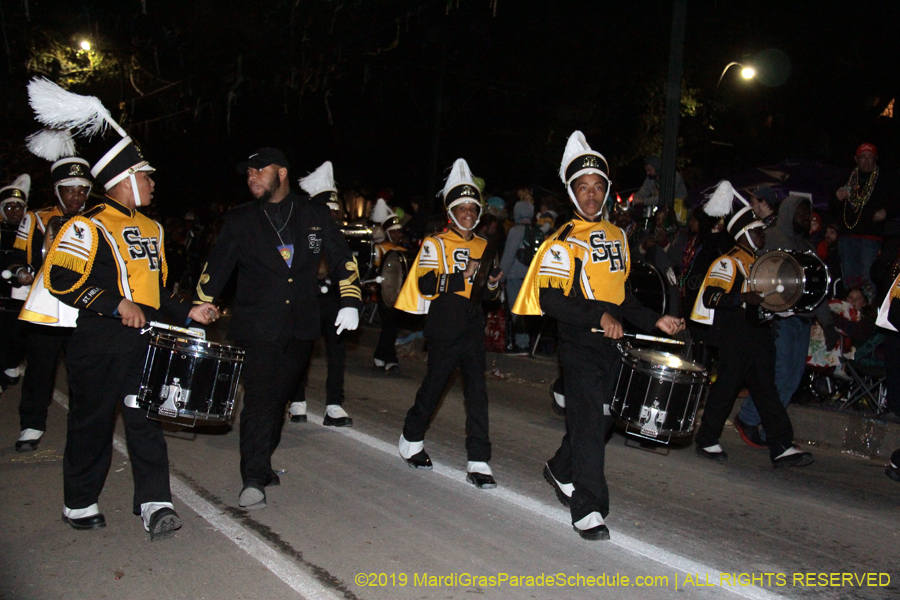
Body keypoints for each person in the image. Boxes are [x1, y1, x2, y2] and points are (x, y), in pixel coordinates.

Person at [30, 77, 219, 538]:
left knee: (146, 420)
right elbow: (61, 279)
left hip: (146, 342)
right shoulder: (87, 225)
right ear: (125, 181)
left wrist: (186, 312)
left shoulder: (152, 229)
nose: (153, 183)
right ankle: (79, 501)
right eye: (147, 176)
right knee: (91, 425)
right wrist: (116, 305)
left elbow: (152, 295)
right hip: (99, 342)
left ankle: (155, 503)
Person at [513, 131, 684, 541]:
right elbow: (552, 300)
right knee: (590, 423)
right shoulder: (561, 242)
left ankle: (560, 467)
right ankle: (587, 507)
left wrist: (654, 320)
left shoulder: (617, 236)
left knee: (605, 418)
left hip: (615, 343)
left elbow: (621, 296)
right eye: (582, 188)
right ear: (572, 193)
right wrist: (599, 315)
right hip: (578, 343)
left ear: (606, 191)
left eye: (598, 187)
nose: (591, 195)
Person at [195, 148, 361, 510]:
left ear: (282, 173)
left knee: (280, 397)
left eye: (259, 170)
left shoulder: (314, 215)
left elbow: (341, 257)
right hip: (257, 325)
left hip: (301, 325)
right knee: (259, 398)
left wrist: (350, 299)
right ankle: (253, 477)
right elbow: (217, 267)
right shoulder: (240, 220)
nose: (252, 177)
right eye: (248, 172)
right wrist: (199, 305)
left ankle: (262, 460)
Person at [690, 181, 814, 468]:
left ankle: (781, 445)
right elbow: (711, 296)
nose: (762, 235)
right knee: (727, 388)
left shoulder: (759, 262)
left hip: (759, 335)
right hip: (736, 335)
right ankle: (707, 438)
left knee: (766, 389)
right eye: (758, 231)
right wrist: (744, 298)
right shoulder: (729, 263)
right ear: (745, 233)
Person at [395, 158, 501, 489]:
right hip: (443, 327)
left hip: (472, 327)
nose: (468, 213)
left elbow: (489, 296)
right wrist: (461, 275)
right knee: (435, 385)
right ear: (451, 211)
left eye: (473, 207)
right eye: (462, 207)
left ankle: (479, 458)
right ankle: (411, 437)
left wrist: (494, 283)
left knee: (477, 391)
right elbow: (425, 285)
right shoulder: (435, 243)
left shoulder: (485, 246)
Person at [733, 195, 837, 447]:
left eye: (808, 214)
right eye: (801, 213)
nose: (805, 218)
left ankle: (773, 429)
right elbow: (758, 275)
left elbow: (818, 290)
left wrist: (828, 324)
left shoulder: (807, 247)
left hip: (802, 320)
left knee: (793, 376)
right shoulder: (771, 239)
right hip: (779, 320)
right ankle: (748, 418)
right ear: (788, 212)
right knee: (777, 374)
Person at [12, 155, 92, 452]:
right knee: (40, 368)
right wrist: (21, 271)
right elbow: (19, 256)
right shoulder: (35, 218)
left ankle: (82, 425)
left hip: (83, 307)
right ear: (58, 190)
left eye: (82, 189)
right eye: (70, 189)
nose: (77, 196)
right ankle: (31, 423)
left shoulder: (96, 220)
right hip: (46, 308)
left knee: (83, 369)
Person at [288, 161, 354, 424]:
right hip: (307, 297)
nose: (332, 216)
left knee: (337, 352)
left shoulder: (339, 236)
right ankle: (296, 399)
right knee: (302, 348)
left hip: (334, 299)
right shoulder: (300, 231)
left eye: (335, 211)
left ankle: (334, 404)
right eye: (328, 210)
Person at [832, 143, 895, 284]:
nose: (866, 161)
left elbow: (895, 202)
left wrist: (885, 211)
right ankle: (849, 306)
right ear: (856, 159)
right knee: (848, 277)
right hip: (846, 236)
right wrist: (837, 197)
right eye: (863, 157)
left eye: (870, 157)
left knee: (867, 277)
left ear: (875, 159)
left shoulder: (883, 179)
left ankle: (867, 306)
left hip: (869, 237)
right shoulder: (847, 177)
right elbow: (832, 207)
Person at [0, 175, 31, 392]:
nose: (14, 211)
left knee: (18, 340)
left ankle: (10, 365)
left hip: (21, 298)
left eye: (18, 207)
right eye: (9, 207)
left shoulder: (32, 232)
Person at [499, 200, 536, 354]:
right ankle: (529, 342)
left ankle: (522, 344)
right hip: (532, 277)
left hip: (515, 276)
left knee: (516, 311)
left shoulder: (516, 231)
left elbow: (508, 256)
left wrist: (500, 277)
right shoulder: (537, 230)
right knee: (528, 311)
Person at [372, 213, 407, 373]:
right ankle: (389, 359)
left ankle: (381, 356)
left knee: (391, 327)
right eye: (394, 232)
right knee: (390, 326)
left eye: (399, 232)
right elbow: (375, 270)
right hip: (383, 293)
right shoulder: (379, 248)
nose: (397, 235)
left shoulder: (403, 252)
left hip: (399, 294)